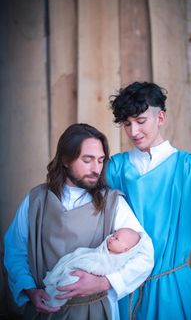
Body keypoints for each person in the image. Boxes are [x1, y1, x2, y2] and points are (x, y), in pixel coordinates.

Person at [107, 81, 191, 320]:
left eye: (140, 121)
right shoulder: (114, 168)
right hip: (125, 287)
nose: (133, 131)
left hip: (171, 287)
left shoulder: (189, 168)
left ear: (161, 117)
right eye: (127, 124)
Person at [4, 123, 154, 320]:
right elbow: (15, 250)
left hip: (96, 311)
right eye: (87, 160)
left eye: (101, 160)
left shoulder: (113, 203)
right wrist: (30, 289)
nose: (96, 169)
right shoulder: (36, 200)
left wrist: (105, 283)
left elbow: (145, 255)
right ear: (65, 159)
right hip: (45, 310)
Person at [43, 228, 142, 307]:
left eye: (116, 238)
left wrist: (87, 266)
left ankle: (53, 302)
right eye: (113, 234)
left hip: (83, 273)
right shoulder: (105, 249)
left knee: (69, 282)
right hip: (83, 262)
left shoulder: (114, 261)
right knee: (70, 261)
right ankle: (50, 291)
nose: (111, 238)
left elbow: (102, 269)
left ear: (125, 249)